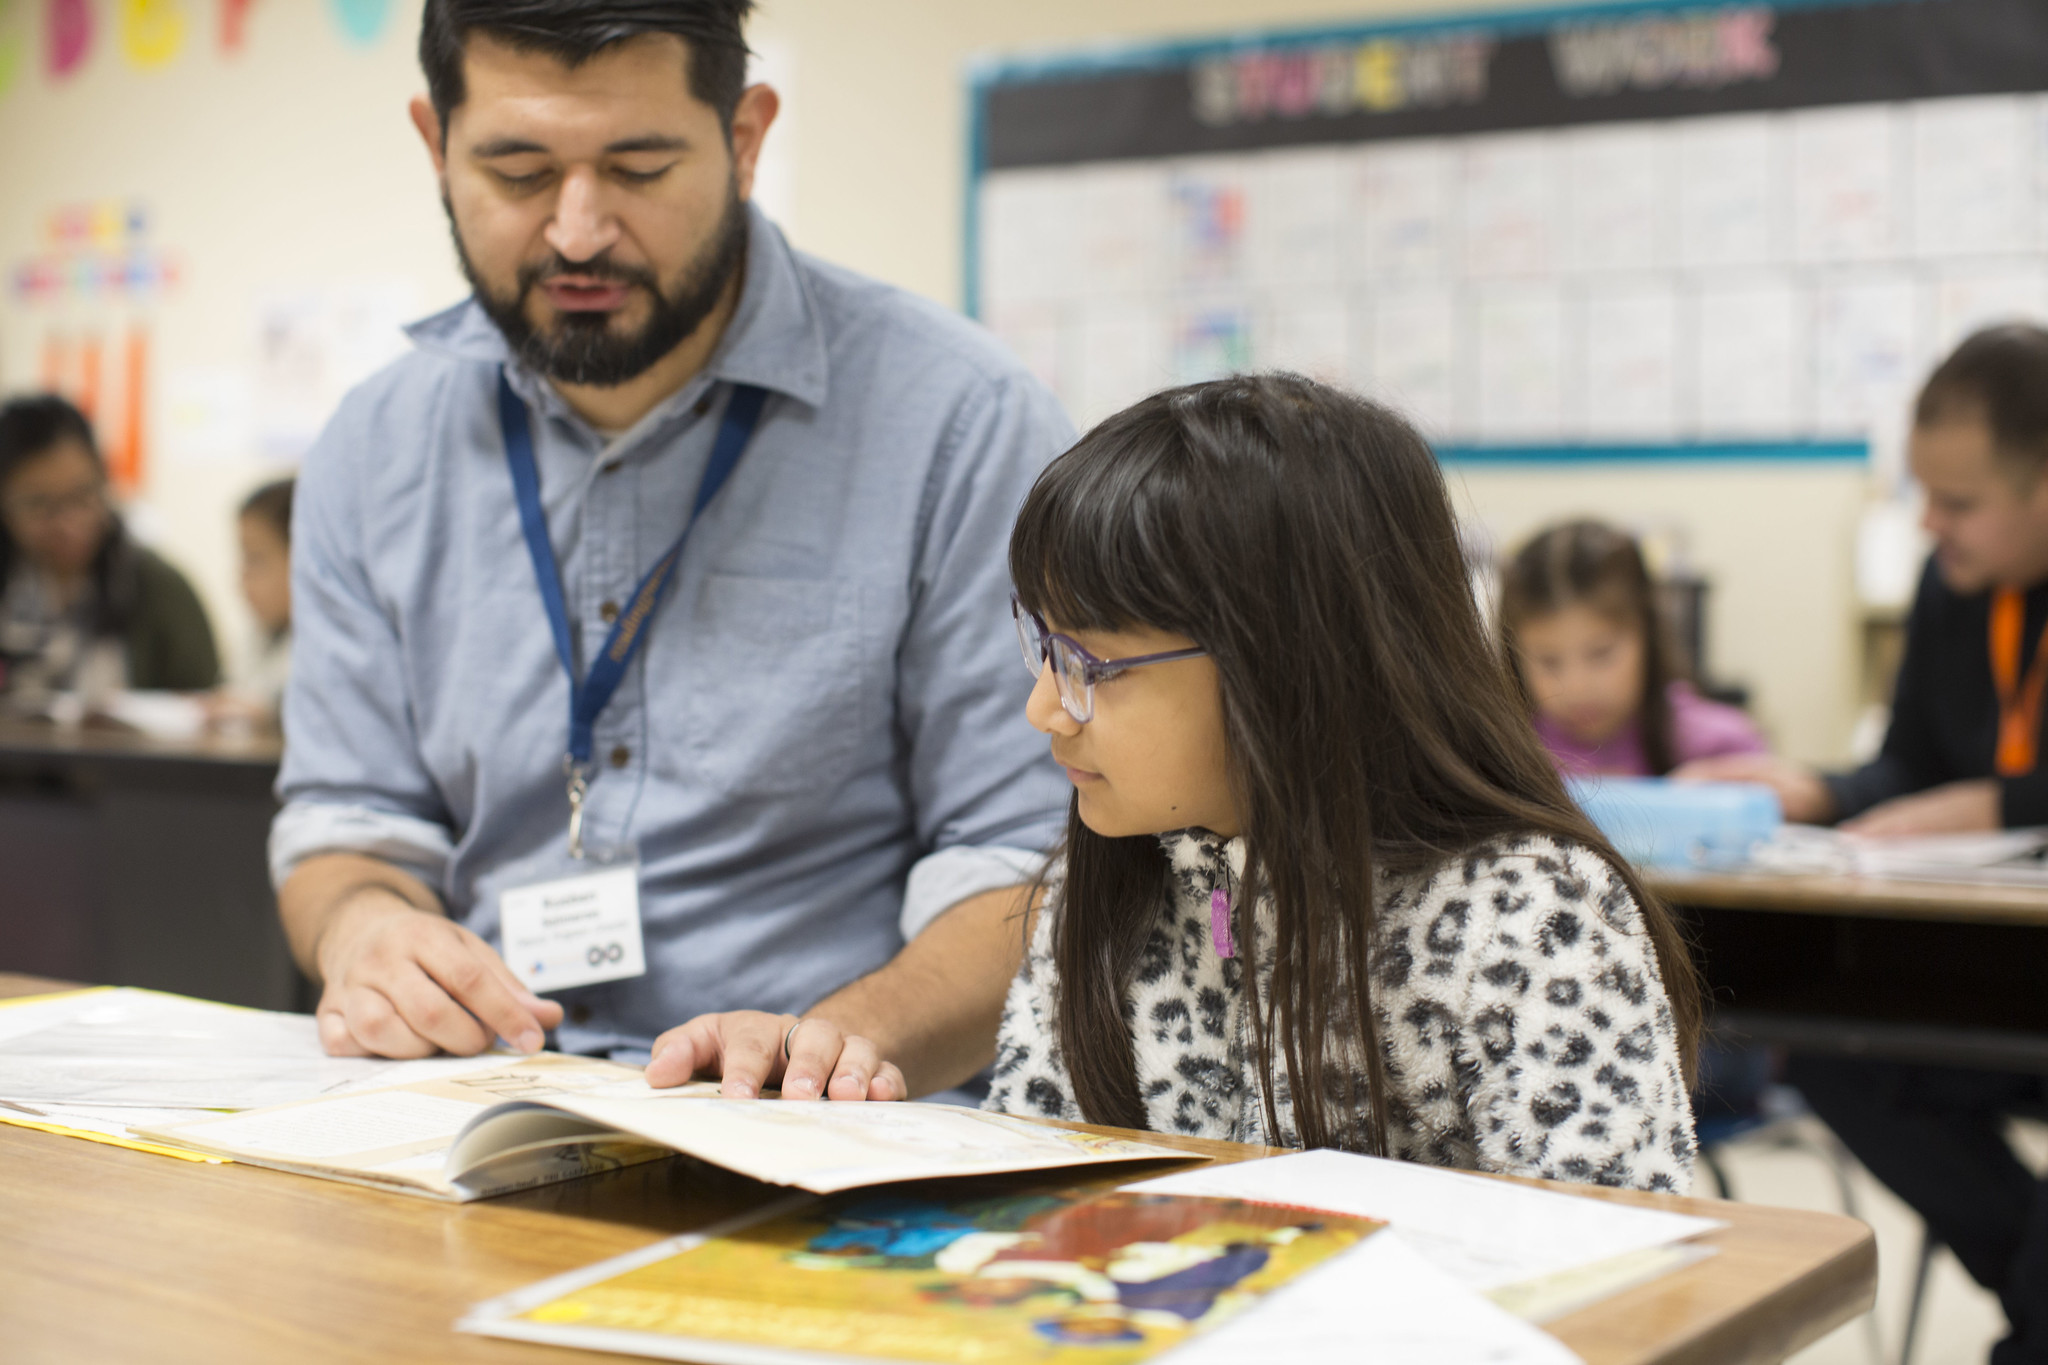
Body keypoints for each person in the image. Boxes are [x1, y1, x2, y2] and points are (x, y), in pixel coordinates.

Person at [278, 0, 1069, 1106]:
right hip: (466, 1103)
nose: (577, 231)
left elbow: (1026, 852)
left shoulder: (958, 421)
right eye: (515, 171)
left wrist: (835, 1047)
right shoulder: (374, 444)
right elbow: (346, 816)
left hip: (820, 1127)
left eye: (639, 166)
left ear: (744, 137)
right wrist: (365, 931)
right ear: (434, 145)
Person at [976, 374, 1701, 1189]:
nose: (1045, 707)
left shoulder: (1528, 916)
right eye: (1042, 643)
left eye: (1092, 665)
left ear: (1284, 665)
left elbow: (1619, 1273)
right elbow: (1022, 1202)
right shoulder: (1105, 891)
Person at [1687, 324, 2048, 1365]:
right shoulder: (1954, 583)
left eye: (1960, 500)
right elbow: (1906, 772)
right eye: (1922, 494)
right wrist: (1810, 789)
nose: (1929, 522)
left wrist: (1999, 805)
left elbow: (1967, 797)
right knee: (1841, 1058)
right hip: (1996, 966)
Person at [1499, 519, 1767, 777]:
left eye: (1601, 653)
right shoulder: (1506, 756)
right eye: (1548, 661)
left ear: (1648, 635)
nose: (1576, 687)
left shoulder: (1720, 748)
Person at [0, 393, 219, 704]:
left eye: (84, 495)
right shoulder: (11, 583)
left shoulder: (159, 588)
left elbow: (206, 711)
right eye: (40, 506)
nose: (70, 524)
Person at [205, 478, 294, 730]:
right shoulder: (260, 637)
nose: (242, 577)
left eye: (256, 560)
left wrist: (271, 715)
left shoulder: (331, 649)